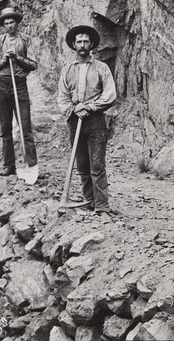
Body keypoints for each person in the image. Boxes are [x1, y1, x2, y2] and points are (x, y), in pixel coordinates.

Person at [57, 25, 117, 214]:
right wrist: (74, 109)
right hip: (74, 121)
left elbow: (109, 94)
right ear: (74, 45)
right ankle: (89, 200)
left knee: (97, 165)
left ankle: (102, 206)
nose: (82, 45)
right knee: (82, 165)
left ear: (91, 44)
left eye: (85, 41)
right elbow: (62, 97)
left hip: (95, 121)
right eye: (79, 42)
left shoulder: (102, 68)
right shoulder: (67, 70)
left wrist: (90, 107)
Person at [0, 7, 38, 176]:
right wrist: (5, 59)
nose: (9, 25)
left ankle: (31, 166)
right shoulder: (0, 41)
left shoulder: (26, 40)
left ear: (17, 23)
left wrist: (17, 58)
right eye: (6, 22)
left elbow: (33, 64)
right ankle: (8, 166)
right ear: (3, 25)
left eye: (12, 22)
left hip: (19, 85)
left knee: (25, 128)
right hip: (2, 86)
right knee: (5, 128)